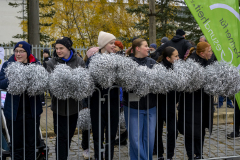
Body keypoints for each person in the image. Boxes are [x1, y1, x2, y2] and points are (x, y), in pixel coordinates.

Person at [0, 41, 43, 160]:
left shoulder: (36, 64)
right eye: (16, 51)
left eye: (21, 51)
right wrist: (15, 77)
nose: (18, 54)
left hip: (32, 111)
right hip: (13, 112)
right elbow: (1, 83)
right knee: (16, 144)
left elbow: (42, 84)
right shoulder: (8, 64)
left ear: (27, 52)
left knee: (31, 143)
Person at [46, 37, 85, 160]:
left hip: (74, 107)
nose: (58, 51)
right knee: (61, 136)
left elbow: (83, 82)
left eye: (61, 48)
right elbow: (50, 85)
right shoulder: (51, 63)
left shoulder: (79, 61)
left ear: (68, 48)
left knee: (68, 135)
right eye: (56, 48)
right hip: (58, 107)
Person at [178, 42, 214, 160]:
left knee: (201, 128)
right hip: (191, 103)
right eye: (209, 51)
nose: (211, 53)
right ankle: (191, 154)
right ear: (202, 53)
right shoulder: (191, 62)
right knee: (191, 130)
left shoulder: (208, 60)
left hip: (204, 102)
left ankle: (199, 153)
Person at [87, 31, 119, 160]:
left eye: (114, 43)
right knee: (98, 133)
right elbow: (88, 79)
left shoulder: (117, 59)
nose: (113, 45)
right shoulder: (92, 59)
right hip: (97, 101)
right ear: (104, 44)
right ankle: (98, 156)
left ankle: (109, 156)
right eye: (111, 43)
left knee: (111, 133)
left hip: (113, 101)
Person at [123, 38, 157, 160]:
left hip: (151, 106)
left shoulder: (153, 62)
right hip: (133, 107)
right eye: (146, 46)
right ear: (137, 48)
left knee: (149, 139)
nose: (148, 48)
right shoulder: (127, 62)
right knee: (135, 139)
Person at [154, 46, 179, 160]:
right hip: (159, 105)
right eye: (176, 56)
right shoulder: (159, 68)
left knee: (173, 132)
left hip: (170, 105)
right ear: (168, 58)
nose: (178, 58)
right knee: (157, 131)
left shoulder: (177, 68)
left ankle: (170, 155)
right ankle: (160, 154)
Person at [81, 46, 99, 160]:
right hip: (87, 102)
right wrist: (84, 104)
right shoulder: (85, 68)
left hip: (97, 102)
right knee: (86, 127)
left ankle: (99, 149)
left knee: (98, 127)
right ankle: (85, 148)